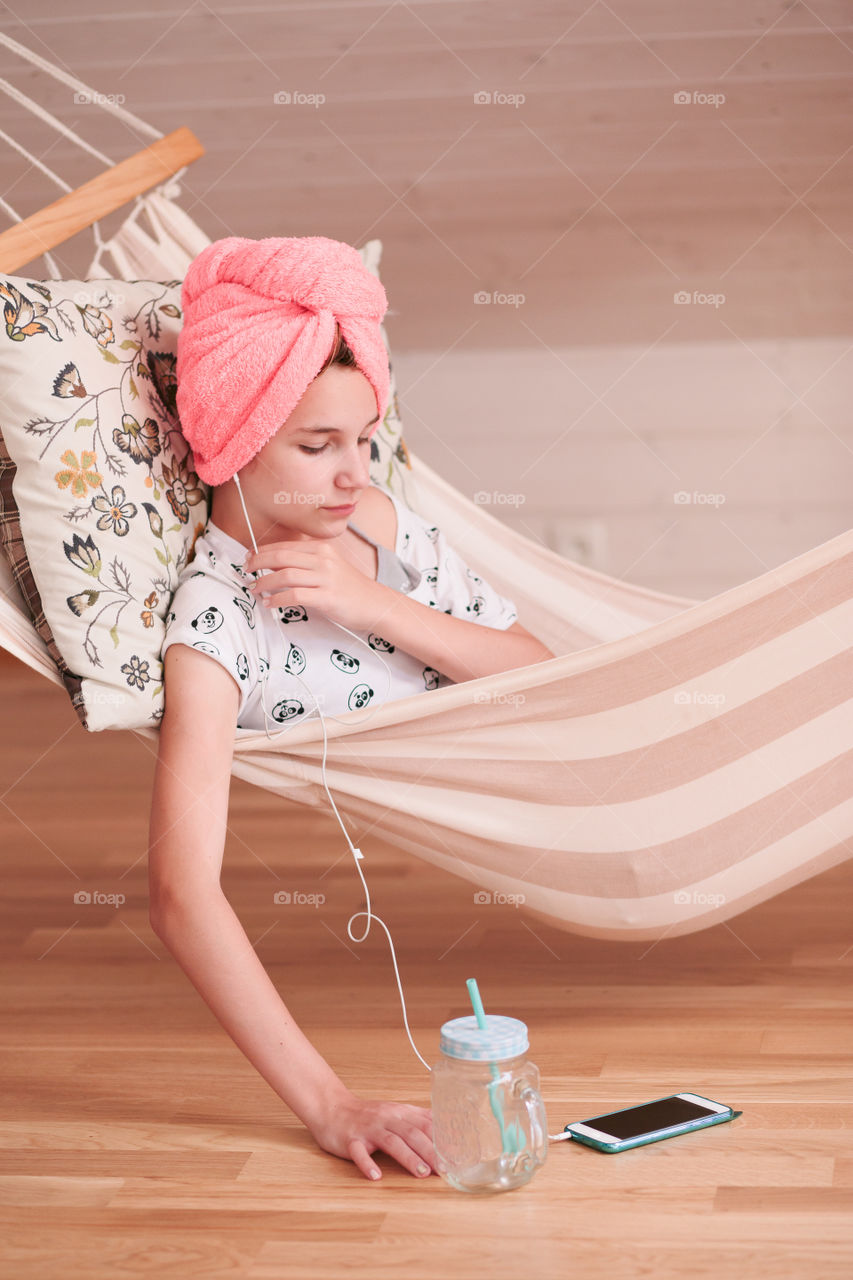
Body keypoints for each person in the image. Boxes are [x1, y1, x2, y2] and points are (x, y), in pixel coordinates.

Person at [148, 235, 554, 1184]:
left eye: (365, 439)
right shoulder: (216, 628)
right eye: (317, 445)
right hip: (508, 807)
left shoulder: (376, 528)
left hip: (558, 764)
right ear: (236, 441)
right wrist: (330, 1105)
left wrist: (374, 605)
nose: (355, 473)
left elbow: (541, 675)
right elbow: (179, 894)